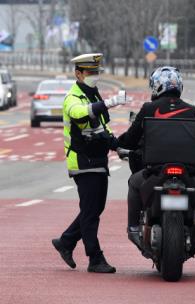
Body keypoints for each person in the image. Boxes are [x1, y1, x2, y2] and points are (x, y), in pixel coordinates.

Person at [117, 66, 195, 278]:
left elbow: (129, 139)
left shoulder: (149, 108)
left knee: (132, 183)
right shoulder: (191, 110)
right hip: (189, 174)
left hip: (155, 172)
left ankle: (133, 229)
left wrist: (116, 143)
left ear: (156, 86)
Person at [52, 53, 128, 273]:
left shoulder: (93, 95)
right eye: (90, 72)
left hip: (98, 159)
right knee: (90, 211)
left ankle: (66, 242)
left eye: (97, 72)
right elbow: (78, 114)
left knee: (94, 208)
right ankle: (95, 258)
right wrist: (111, 102)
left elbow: (102, 128)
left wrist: (118, 146)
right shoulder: (73, 97)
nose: (95, 76)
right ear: (78, 74)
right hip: (82, 161)